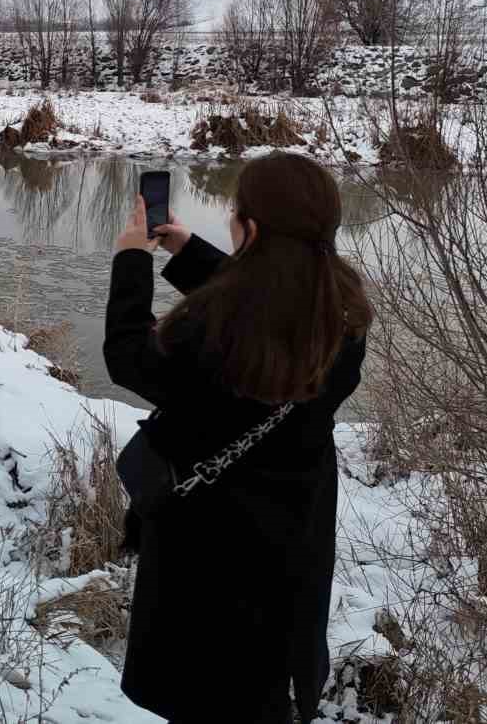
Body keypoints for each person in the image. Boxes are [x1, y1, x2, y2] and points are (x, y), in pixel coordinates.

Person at [104, 152, 371, 724]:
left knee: (204, 690)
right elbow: (268, 302)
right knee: (263, 686)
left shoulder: (215, 335)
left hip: (209, 552)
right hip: (291, 545)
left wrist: (132, 260)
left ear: (249, 228)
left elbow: (130, 358)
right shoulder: (341, 314)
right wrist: (188, 251)